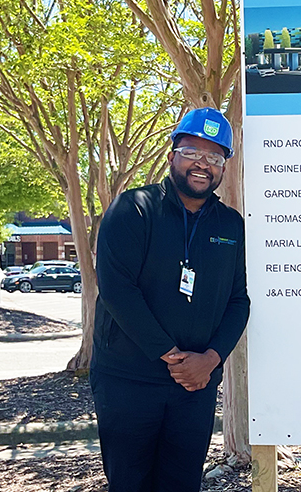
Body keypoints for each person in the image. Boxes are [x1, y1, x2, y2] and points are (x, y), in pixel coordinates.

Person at [90, 107, 250, 492]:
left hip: (195, 386)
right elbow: (116, 289)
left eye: (214, 156)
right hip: (127, 380)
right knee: (130, 484)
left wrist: (210, 361)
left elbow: (238, 301)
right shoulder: (133, 209)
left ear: (224, 166)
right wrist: (172, 356)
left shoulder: (231, 225)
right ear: (172, 155)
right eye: (193, 152)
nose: (203, 164)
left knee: (181, 484)